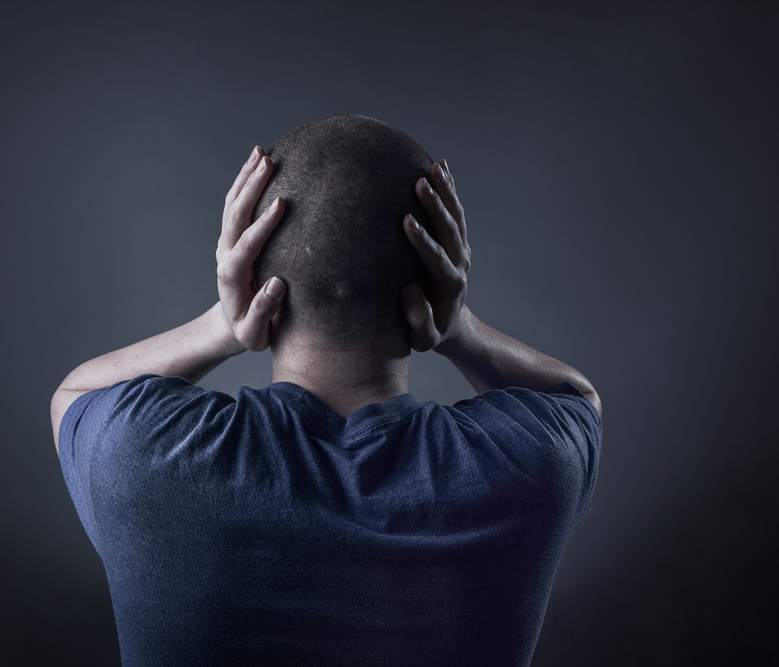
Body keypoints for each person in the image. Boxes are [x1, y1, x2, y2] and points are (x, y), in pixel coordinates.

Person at [51, 114, 602, 666]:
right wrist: (460, 330)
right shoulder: (532, 464)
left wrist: (223, 323)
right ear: (439, 281)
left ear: (250, 276)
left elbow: (73, 396)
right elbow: (577, 400)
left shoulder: (144, 454)